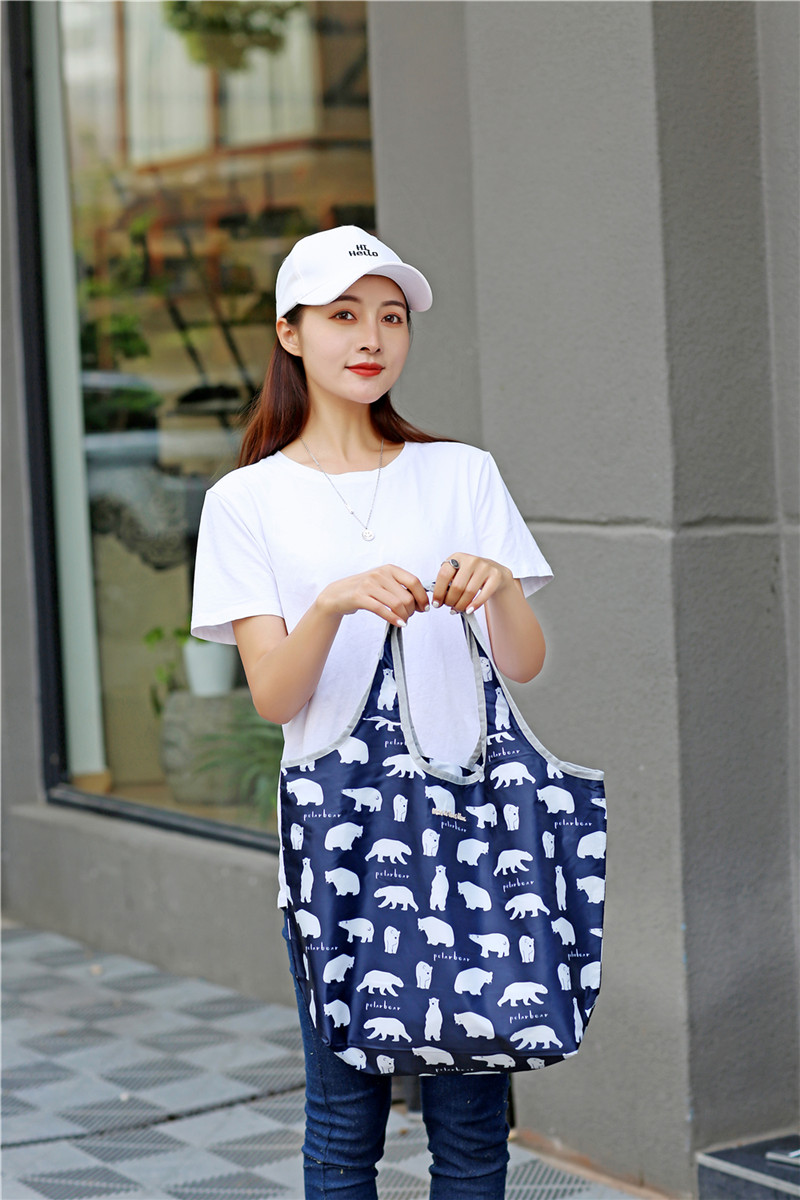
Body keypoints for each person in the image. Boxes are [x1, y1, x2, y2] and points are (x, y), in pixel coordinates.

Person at [191, 225, 553, 1199]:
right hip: (339, 846)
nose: (371, 337)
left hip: (471, 839)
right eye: (344, 314)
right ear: (290, 331)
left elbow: (523, 665)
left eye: (391, 317)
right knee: (344, 1130)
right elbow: (275, 696)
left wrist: (498, 586)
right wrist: (331, 604)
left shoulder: (461, 472)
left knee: (472, 1135)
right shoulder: (245, 501)